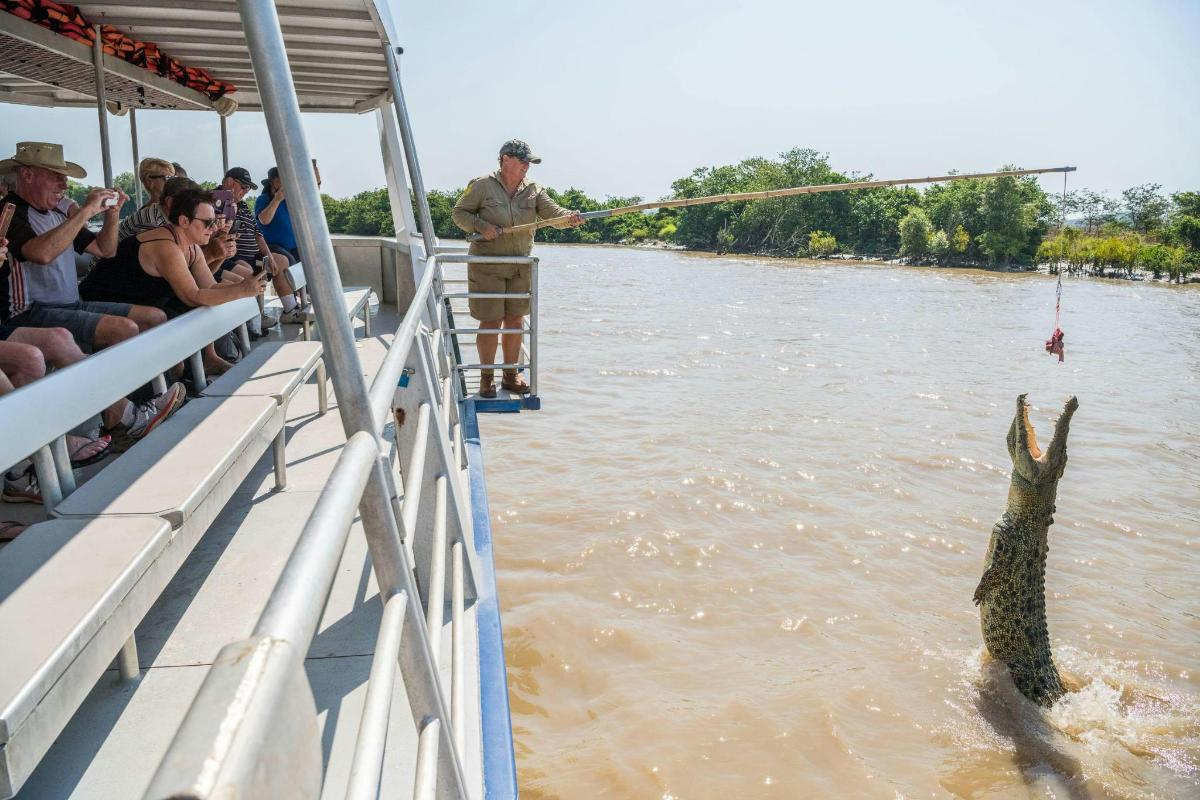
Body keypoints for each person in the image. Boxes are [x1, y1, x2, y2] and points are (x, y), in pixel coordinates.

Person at [0, 141, 166, 351]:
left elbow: (105, 250)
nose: (64, 185)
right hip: (29, 312)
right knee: (123, 328)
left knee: (155, 317)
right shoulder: (9, 211)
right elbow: (41, 254)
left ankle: (163, 383)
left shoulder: (60, 213)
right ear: (27, 175)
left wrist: (112, 215)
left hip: (73, 303)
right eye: (55, 176)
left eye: (64, 178)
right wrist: (86, 210)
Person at [451, 139, 583, 397]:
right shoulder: (481, 184)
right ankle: (486, 379)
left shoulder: (534, 189)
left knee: (514, 321)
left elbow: (554, 214)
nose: (526, 166)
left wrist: (570, 219)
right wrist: (482, 227)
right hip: (487, 266)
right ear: (505, 159)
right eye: (523, 161)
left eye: (529, 163)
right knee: (490, 321)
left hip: (520, 266)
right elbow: (459, 214)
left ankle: (511, 375)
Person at [219, 167, 301, 321]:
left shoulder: (242, 205)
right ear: (230, 182)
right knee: (247, 271)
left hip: (254, 255)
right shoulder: (217, 201)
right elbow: (263, 220)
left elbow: (258, 234)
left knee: (280, 261)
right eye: (243, 187)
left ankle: (291, 309)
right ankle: (255, 318)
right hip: (233, 257)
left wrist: (268, 255)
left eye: (248, 188)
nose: (246, 191)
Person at [255, 160, 320, 265]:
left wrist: (313, 169)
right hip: (271, 248)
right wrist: (277, 200)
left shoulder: (291, 201)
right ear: (273, 182)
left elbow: (314, 191)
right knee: (286, 261)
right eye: (282, 179)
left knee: (312, 259)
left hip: (294, 248)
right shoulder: (263, 199)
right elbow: (264, 220)